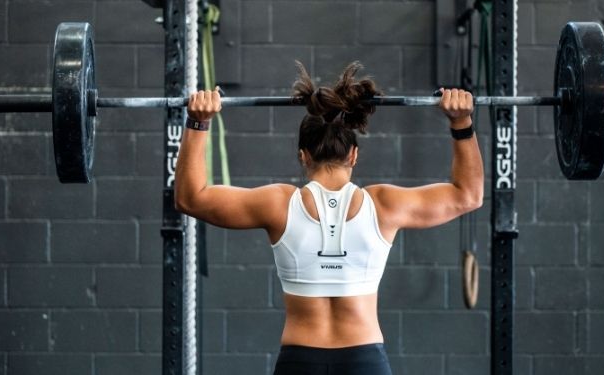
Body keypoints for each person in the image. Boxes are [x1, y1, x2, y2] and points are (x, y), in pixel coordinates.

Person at [174, 61, 483, 375]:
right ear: (353, 155)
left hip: (300, 361)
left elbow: (190, 198)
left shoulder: (277, 204)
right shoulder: (384, 205)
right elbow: (468, 195)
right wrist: (462, 123)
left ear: (303, 156)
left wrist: (198, 123)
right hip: (365, 361)